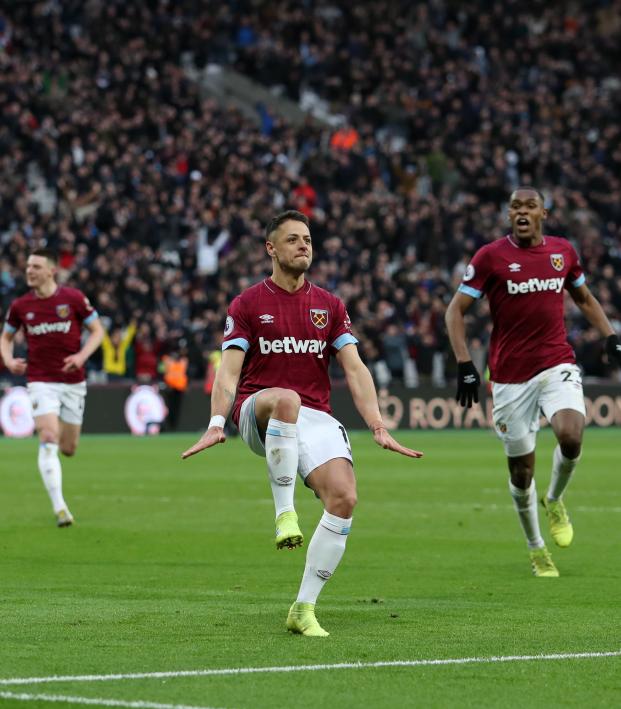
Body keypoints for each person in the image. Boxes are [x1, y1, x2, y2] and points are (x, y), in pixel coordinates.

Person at [182, 209, 423, 636]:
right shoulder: (248, 303)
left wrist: (378, 425)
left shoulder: (329, 306)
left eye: (308, 239)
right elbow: (228, 371)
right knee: (287, 399)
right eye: (293, 239)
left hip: (313, 417)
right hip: (259, 411)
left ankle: (303, 607)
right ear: (271, 249)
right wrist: (218, 420)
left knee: (344, 498)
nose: (303, 246)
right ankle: (284, 514)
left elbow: (355, 368)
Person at [445, 187, 621, 577]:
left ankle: (555, 499)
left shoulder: (563, 252)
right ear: (509, 215)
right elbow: (455, 311)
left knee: (572, 435)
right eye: (515, 207)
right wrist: (464, 363)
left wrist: (610, 335)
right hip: (509, 378)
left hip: (556, 362)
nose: (522, 212)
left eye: (530, 206)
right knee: (521, 473)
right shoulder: (490, 257)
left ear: (544, 212)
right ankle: (536, 547)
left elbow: (585, 298)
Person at [0, 249, 104, 526]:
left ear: (51, 271)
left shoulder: (72, 299)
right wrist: (8, 360)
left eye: (36, 266)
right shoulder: (20, 306)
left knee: (68, 448)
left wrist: (82, 357)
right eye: (28, 266)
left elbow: (98, 331)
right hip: (40, 380)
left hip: (73, 382)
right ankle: (60, 509)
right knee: (48, 437)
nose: (29, 271)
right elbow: (6, 337)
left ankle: (58, 481)